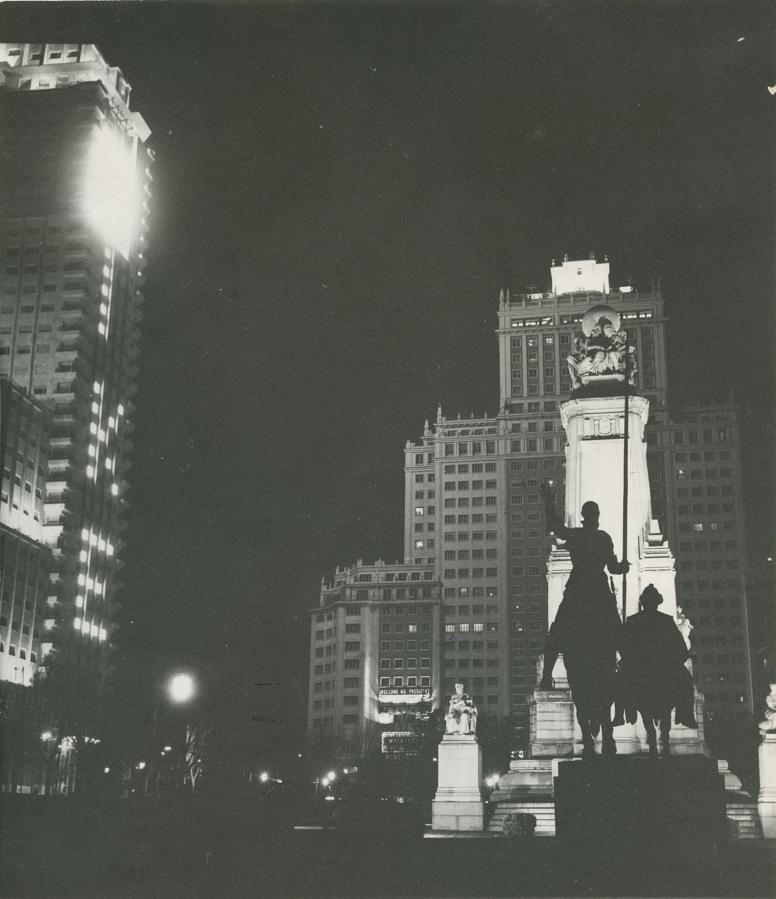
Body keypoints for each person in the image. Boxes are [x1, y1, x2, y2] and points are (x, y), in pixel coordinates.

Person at [539, 484, 629, 757]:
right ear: (595, 516)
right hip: (598, 591)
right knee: (619, 635)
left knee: (557, 632)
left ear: (583, 516)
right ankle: (628, 670)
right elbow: (613, 567)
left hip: (579, 589)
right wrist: (622, 567)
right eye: (593, 513)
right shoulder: (603, 537)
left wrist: (548, 502)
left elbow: (555, 526)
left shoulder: (579, 536)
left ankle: (546, 677)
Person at [620, 584, 698, 757]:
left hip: (643, 666)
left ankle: (625, 712)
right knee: (686, 682)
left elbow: (624, 646)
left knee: (622, 681)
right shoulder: (665, 620)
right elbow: (679, 646)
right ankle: (685, 716)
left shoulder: (633, 620)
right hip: (663, 666)